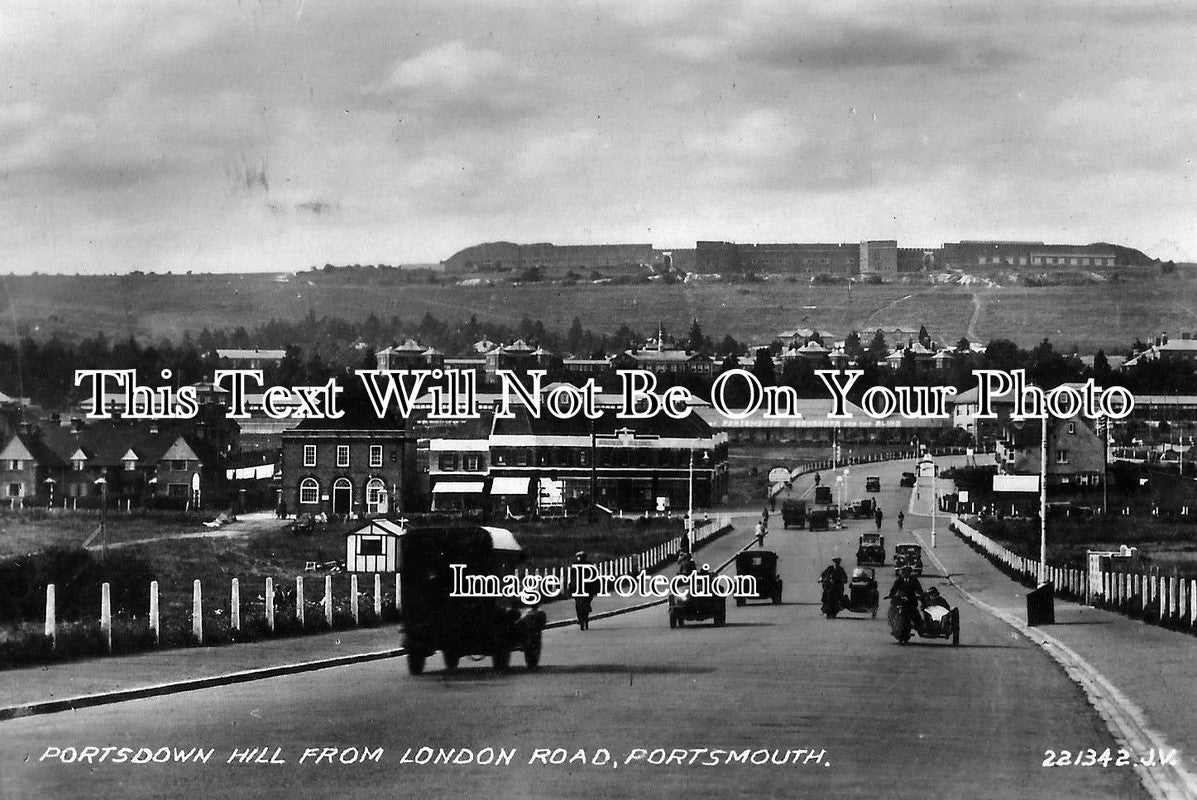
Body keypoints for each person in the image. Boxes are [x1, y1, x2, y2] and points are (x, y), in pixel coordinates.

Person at [571, 551, 597, 631]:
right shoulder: (590, 564)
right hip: (587, 586)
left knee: (577, 602)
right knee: (589, 598)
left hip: (578, 586)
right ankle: (587, 608)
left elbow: (572, 575)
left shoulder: (575, 564)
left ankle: (579, 618)